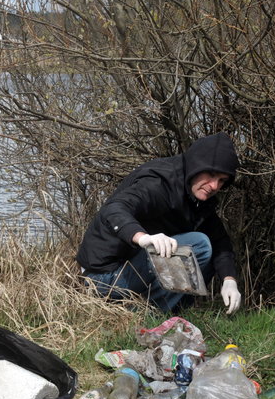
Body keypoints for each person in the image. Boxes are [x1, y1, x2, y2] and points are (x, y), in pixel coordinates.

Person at [76, 132, 242, 314]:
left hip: (132, 267)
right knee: (199, 244)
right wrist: (143, 238)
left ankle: (171, 313)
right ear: (196, 165)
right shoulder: (158, 183)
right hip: (102, 277)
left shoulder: (197, 197)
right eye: (211, 175)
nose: (214, 186)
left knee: (210, 254)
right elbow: (114, 209)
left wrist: (229, 280)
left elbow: (220, 241)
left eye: (222, 181)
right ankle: (147, 315)